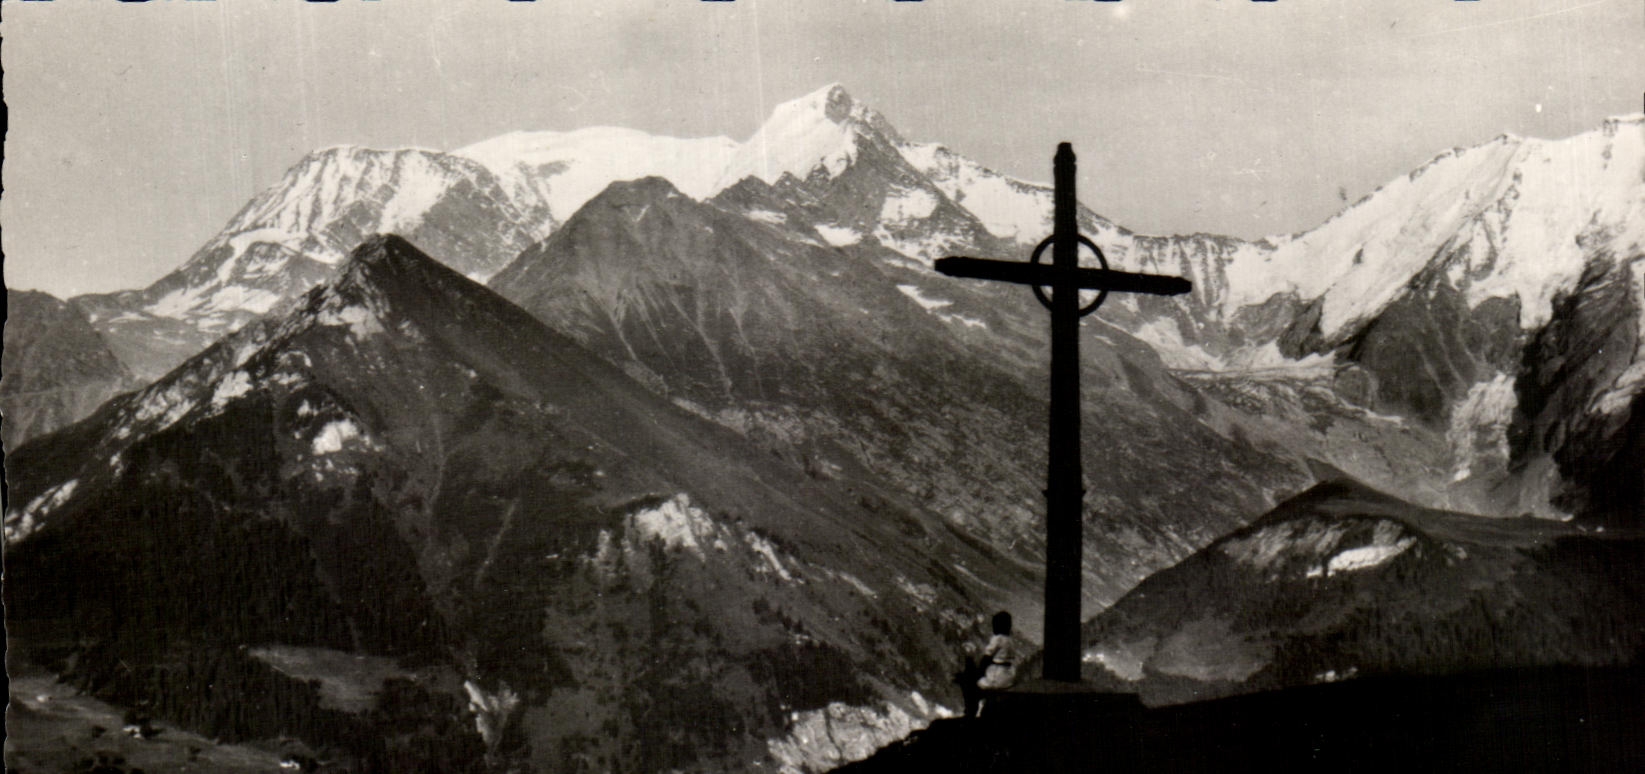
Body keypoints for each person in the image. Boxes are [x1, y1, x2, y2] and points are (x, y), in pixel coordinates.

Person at [955, 611, 1019, 718]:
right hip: (1007, 676)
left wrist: (978, 672)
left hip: (996, 677)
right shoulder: (1010, 641)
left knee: (971, 685)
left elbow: (987, 658)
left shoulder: (997, 639)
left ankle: (970, 713)